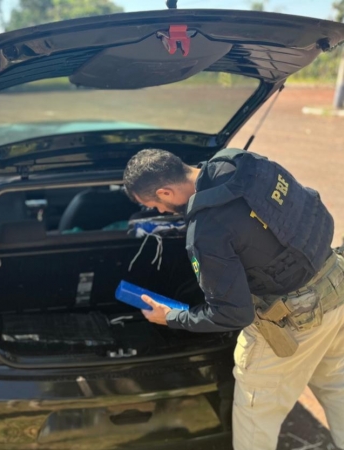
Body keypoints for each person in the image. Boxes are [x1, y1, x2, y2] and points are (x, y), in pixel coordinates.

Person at [122, 148, 344, 450]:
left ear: (165, 191)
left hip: (295, 319)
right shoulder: (239, 161)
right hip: (336, 285)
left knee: (256, 414)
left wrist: (172, 317)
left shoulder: (206, 231)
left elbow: (234, 315)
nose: (160, 212)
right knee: (337, 386)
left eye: (155, 204)